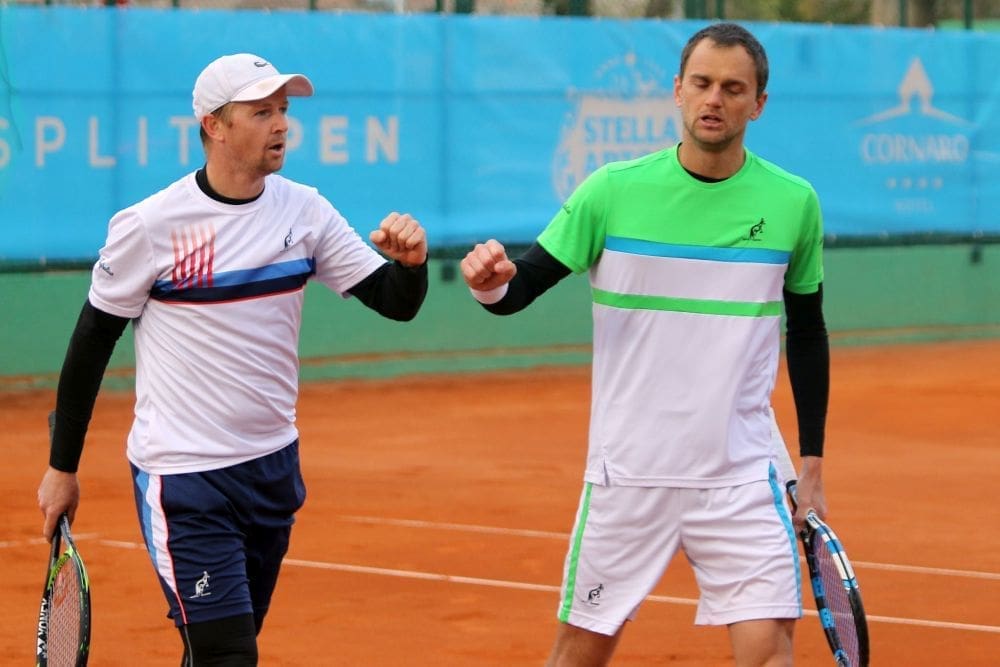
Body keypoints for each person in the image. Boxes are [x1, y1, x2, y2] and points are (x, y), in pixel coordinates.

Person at [36, 53, 429, 665]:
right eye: (261, 112)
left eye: (283, 110)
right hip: (186, 479)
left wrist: (411, 266)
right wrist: (63, 467)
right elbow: (91, 342)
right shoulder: (151, 225)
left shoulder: (305, 211)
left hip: (273, 469)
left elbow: (395, 302)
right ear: (214, 126)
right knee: (229, 656)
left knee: (218, 650)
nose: (281, 124)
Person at [461, 23, 829, 666]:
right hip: (627, 474)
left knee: (770, 651)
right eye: (702, 83)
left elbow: (807, 332)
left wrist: (814, 466)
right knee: (579, 654)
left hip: (740, 476)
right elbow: (518, 289)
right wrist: (489, 286)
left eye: (733, 88)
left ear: (758, 103)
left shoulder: (794, 202)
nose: (714, 99)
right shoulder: (611, 191)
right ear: (678, 91)